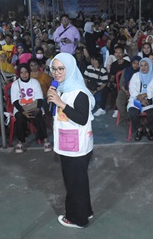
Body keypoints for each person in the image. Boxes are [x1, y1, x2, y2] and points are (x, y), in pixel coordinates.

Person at [46, 53, 95, 228]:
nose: (57, 73)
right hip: (68, 144)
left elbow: (82, 118)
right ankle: (85, 211)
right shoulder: (62, 88)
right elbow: (53, 114)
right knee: (79, 181)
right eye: (54, 69)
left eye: (61, 69)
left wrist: (61, 103)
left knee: (74, 184)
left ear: (71, 69)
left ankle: (76, 219)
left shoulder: (79, 92)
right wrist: (53, 99)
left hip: (77, 147)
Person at [10, 64, 51, 153]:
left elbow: (40, 98)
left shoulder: (35, 82)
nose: (24, 74)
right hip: (21, 108)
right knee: (20, 118)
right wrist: (23, 111)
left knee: (38, 116)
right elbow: (15, 101)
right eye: (22, 72)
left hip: (34, 106)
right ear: (19, 74)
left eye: (26, 72)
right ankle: (20, 142)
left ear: (29, 72)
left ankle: (45, 140)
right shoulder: (15, 84)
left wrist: (37, 109)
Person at [127, 58, 153, 141]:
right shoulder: (135, 76)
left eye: (145, 65)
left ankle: (149, 129)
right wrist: (140, 98)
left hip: (149, 99)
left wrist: (145, 95)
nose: (143, 67)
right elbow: (132, 88)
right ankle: (139, 129)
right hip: (136, 99)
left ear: (150, 66)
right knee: (132, 112)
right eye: (141, 65)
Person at [115, 55, 141, 124]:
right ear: (131, 63)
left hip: (137, 92)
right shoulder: (126, 70)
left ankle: (136, 117)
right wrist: (126, 91)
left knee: (137, 104)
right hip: (125, 90)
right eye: (134, 63)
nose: (136, 65)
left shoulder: (141, 72)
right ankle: (126, 116)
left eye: (138, 64)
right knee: (119, 101)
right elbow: (121, 83)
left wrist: (133, 92)